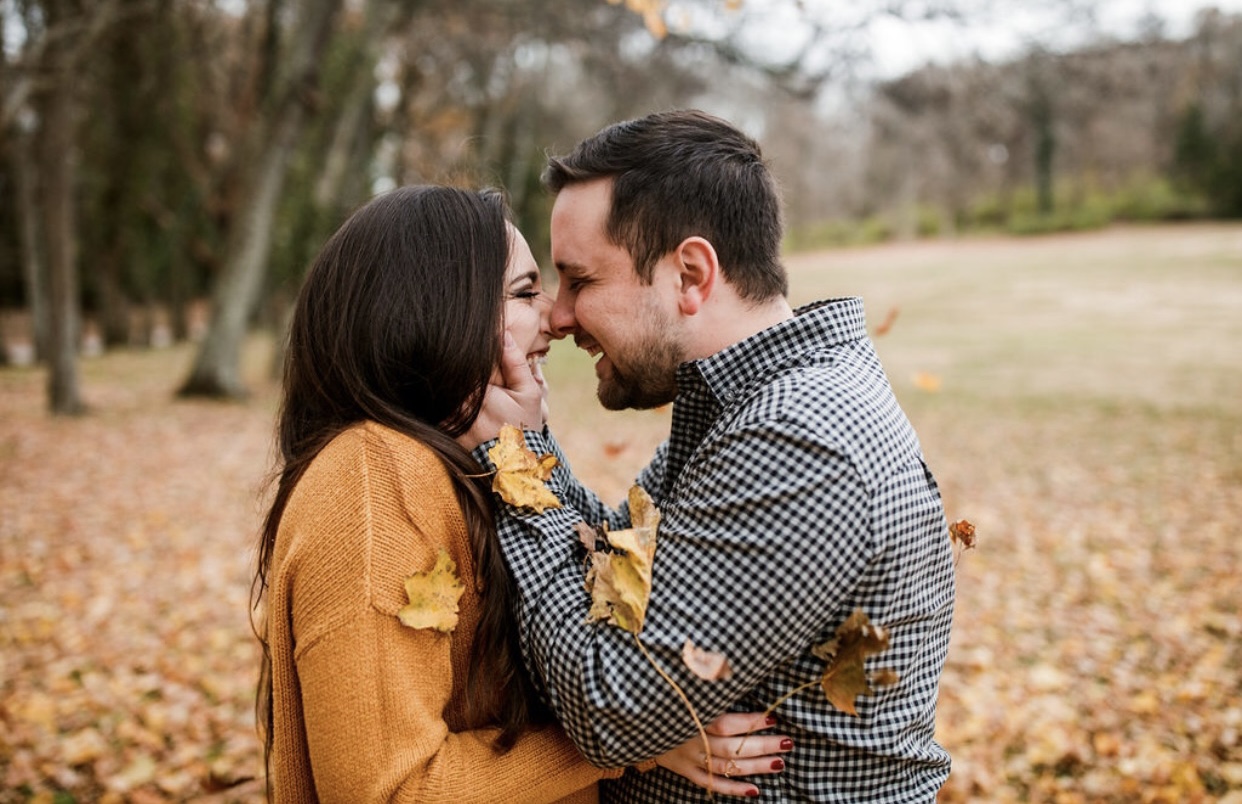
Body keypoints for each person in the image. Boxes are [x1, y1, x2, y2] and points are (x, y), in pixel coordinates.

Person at [465, 110, 956, 801]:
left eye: (581, 281)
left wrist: (510, 459)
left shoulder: (799, 439)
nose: (560, 315)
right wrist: (528, 446)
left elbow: (611, 711)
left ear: (691, 274)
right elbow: (611, 574)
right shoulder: (749, 407)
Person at [251, 184, 793, 802]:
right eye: (523, 293)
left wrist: (522, 455)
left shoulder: (456, 464)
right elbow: (390, 790)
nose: (555, 321)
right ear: (429, 311)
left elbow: (596, 583)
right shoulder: (374, 482)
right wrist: (625, 745)